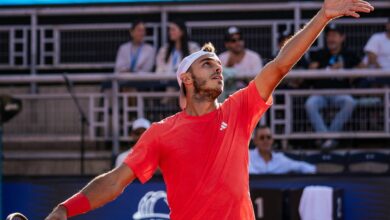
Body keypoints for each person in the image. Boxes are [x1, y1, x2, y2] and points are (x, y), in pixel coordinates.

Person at [45, 1, 373, 219]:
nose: (218, 70)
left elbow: (280, 65)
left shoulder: (239, 109)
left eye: (218, 65)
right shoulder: (161, 132)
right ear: (186, 79)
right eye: (207, 65)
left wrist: (323, 15)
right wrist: (64, 209)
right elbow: (115, 181)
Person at [305, 25, 361, 149]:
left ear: (342, 38)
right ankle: (329, 137)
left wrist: (346, 68)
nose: (331, 39)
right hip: (320, 93)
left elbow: (363, 66)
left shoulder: (348, 54)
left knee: (350, 102)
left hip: (340, 92)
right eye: (329, 36)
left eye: (334, 36)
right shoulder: (319, 53)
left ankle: (327, 137)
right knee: (310, 103)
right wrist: (316, 67)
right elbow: (310, 68)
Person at [249, 126, 316, 174]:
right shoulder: (247, 157)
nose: (266, 140)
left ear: (272, 140)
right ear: (255, 141)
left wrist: (318, 169)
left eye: (268, 137)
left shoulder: (279, 158)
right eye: (262, 138)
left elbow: (299, 166)